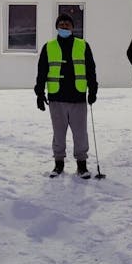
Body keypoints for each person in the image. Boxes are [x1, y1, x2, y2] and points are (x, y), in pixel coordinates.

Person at [34, 13, 99, 179]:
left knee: (80, 134)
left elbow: (91, 70)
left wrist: (93, 90)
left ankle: (82, 165)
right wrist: (39, 93)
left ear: (72, 27)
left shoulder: (83, 45)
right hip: (57, 98)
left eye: (67, 24)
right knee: (58, 133)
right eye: (61, 24)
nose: (64, 26)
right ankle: (58, 163)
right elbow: (42, 72)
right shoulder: (49, 47)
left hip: (77, 97)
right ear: (57, 27)